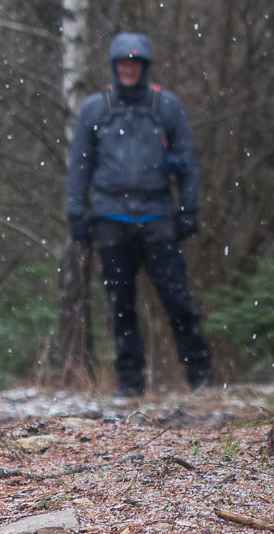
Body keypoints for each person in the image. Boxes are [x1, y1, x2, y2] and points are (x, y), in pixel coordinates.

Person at [66, 32, 213, 396]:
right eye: (123, 64)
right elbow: (78, 167)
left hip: (157, 214)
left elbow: (189, 165)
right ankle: (130, 383)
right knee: (120, 304)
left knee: (177, 299)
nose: (128, 69)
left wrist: (188, 209)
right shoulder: (95, 109)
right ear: (115, 67)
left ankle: (202, 377)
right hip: (110, 218)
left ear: (144, 67)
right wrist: (76, 213)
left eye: (135, 63)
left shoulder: (167, 108)